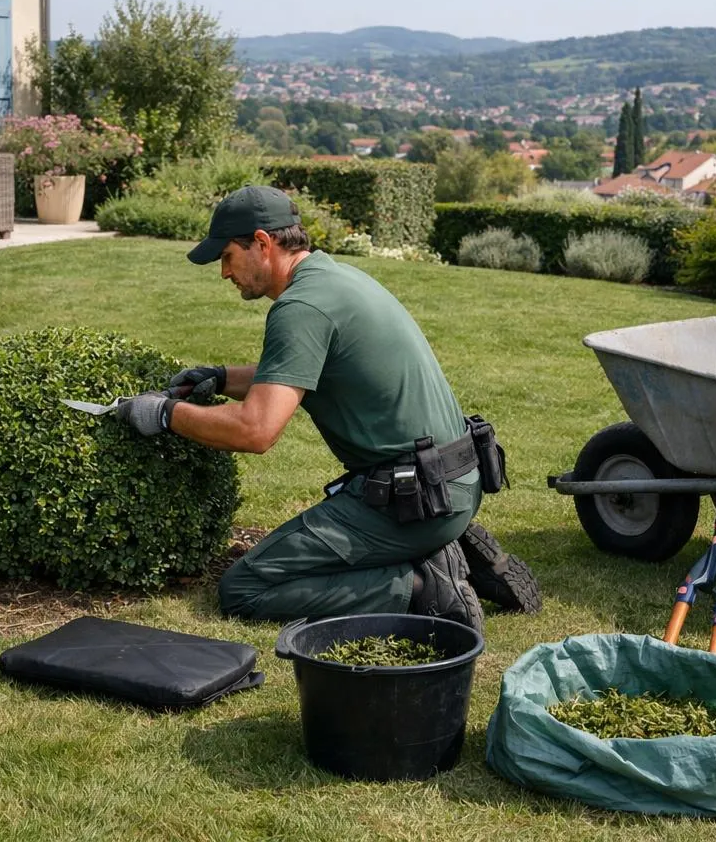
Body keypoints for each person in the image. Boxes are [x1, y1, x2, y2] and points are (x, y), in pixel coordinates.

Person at [114, 185, 539, 630]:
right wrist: (219, 377)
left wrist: (163, 414)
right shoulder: (333, 278)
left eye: (227, 257)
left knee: (243, 589)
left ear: (262, 243)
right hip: (453, 481)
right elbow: (295, 371)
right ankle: (436, 544)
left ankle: (421, 585)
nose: (224, 273)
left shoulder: (301, 307)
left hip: (412, 501)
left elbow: (255, 431)